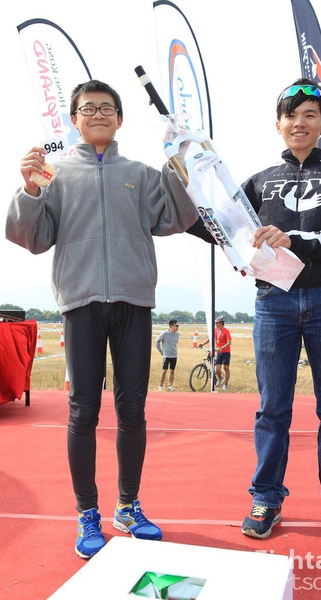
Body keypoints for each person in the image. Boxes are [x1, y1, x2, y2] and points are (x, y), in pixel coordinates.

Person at [5, 80, 198, 559]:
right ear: (74, 119)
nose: (97, 114)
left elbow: (176, 219)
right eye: (87, 108)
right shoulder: (54, 175)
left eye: (106, 108)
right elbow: (31, 237)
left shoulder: (141, 173)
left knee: (133, 410)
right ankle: (87, 512)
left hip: (134, 300)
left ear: (120, 119)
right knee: (83, 411)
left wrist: (178, 167)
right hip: (80, 303)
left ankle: (128, 506)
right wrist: (29, 189)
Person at [240, 78, 321, 545]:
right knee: (271, 408)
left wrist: (293, 240)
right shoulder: (258, 181)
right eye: (291, 115)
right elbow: (224, 227)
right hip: (272, 301)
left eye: (309, 116)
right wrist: (186, 179)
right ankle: (266, 498)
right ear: (277, 124)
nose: (299, 123)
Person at [201, 316, 232, 390]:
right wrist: (202, 344)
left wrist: (221, 348)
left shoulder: (226, 331)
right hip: (219, 352)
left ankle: (226, 384)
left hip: (226, 352)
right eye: (215, 323)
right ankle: (220, 377)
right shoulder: (215, 330)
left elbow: (229, 343)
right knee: (217, 369)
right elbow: (210, 339)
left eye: (217, 323)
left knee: (226, 368)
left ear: (221, 323)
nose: (215, 324)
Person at [155, 319, 179, 391]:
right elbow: (157, 341)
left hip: (174, 355)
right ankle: (160, 385)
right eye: (176, 326)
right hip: (166, 355)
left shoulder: (177, 334)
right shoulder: (165, 333)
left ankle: (170, 385)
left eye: (178, 326)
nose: (177, 327)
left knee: (172, 371)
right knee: (164, 370)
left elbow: (175, 343)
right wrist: (161, 351)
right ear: (171, 326)